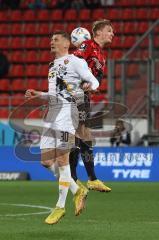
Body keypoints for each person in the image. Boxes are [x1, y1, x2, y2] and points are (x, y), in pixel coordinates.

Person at [25, 31, 99, 224]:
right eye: (51, 40)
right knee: (46, 161)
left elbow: (95, 81)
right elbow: (53, 95)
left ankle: (59, 207)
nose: (51, 42)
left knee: (62, 159)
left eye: (55, 40)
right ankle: (77, 189)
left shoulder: (75, 61)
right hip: (52, 113)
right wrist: (37, 94)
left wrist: (90, 85)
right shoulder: (52, 67)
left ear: (67, 44)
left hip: (68, 113)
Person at [69, 19, 114, 192]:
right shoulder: (87, 45)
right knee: (82, 133)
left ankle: (76, 177)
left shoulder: (102, 56)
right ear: (98, 33)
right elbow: (75, 63)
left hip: (84, 97)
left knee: (80, 135)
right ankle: (90, 178)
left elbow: (97, 79)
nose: (112, 34)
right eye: (109, 30)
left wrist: (93, 85)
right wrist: (82, 82)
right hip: (75, 94)